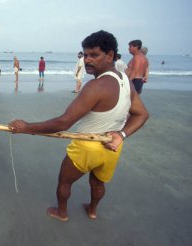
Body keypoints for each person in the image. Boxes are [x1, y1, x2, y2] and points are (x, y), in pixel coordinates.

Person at [8, 30, 149, 222]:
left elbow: (63, 122)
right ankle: (92, 210)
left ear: (110, 55)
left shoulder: (95, 86)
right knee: (97, 183)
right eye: (85, 55)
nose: (87, 60)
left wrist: (27, 127)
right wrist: (121, 135)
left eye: (94, 55)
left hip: (87, 147)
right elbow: (142, 114)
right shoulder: (125, 80)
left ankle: (62, 213)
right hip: (113, 146)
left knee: (65, 181)